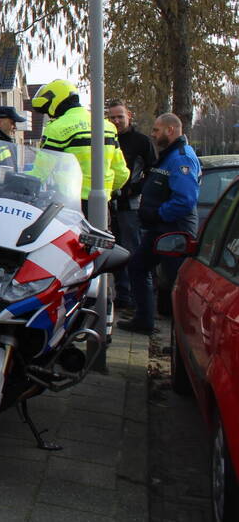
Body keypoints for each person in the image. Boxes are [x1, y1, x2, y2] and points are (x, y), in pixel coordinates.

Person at [119, 113, 200, 334]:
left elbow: (185, 200)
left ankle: (182, 336)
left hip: (175, 231)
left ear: (170, 130)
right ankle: (144, 320)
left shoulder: (181, 158)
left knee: (175, 283)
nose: (153, 135)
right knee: (137, 265)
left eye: (156, 130)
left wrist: (158, 214)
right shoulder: (168, 156)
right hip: (160, 229)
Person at [30, 79, 129, 218]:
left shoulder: (56, 128)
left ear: (55, 101)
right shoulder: (108, 126)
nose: (49, 114)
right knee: (100, 238)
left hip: (69, 205)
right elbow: (121, 172)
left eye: (47, 110)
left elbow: (40, 173)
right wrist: (109, 191)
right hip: (101, 205)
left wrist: (19, 184)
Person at [105, 100, 156, 310]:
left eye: (120, 116)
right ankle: (123, 296)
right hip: (109, 204)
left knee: (133, 252)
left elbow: (153, 172)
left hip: (131, 206)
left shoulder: (142, 141)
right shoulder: (104, 139)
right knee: (114, 252)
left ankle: (139, 300)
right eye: (112, 117)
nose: (116, 121)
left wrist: (135, 189)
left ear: (129, 116)